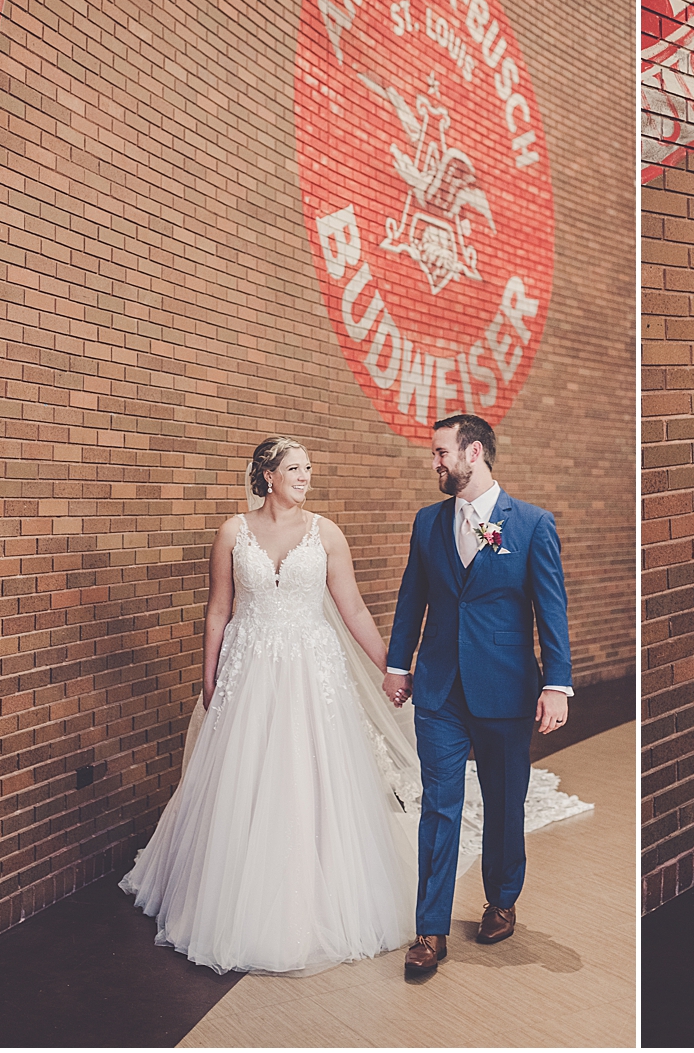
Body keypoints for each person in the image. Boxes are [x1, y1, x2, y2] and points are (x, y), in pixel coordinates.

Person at [120, 436, 417, 974]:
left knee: (309, 776)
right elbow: (217, 610)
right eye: (295, 468)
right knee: (245, 778)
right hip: (248, 670)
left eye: (308, 468)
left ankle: (314, 898)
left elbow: (351, 608)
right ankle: (230, 897)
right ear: (268, 475)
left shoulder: (327, 534)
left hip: (311, 670)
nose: (305, 476)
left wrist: (388, 667)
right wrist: (208, 677)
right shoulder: (233, 532)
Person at [383, 413, 574, 977]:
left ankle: (501, 900)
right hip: (439, 690)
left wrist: (557, 684)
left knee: (503, 802)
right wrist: (398, 665)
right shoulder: (427, 523)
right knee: (438, 807)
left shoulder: (532, 524)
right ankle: (430, 930)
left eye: (441, 452)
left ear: (473, 453)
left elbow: (551, 611)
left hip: (507, 689)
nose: (434, 463)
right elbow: (410, 599)